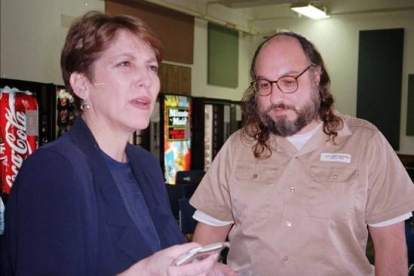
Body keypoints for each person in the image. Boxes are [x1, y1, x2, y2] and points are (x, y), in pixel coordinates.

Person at [2, 12, 235, 276]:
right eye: (125, 64)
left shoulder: (144, 163)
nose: (146, 80)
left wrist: (202, 268)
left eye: (152, 67)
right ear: (81, 84)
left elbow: (168, 247)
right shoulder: (52, 170)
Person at [190, 32, 414, 275]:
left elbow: (390, 246)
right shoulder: (237, 147)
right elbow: (206, 241)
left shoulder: (367, 143)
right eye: (265, 85)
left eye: (288, 81)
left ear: (316, 77)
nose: (275, 97)